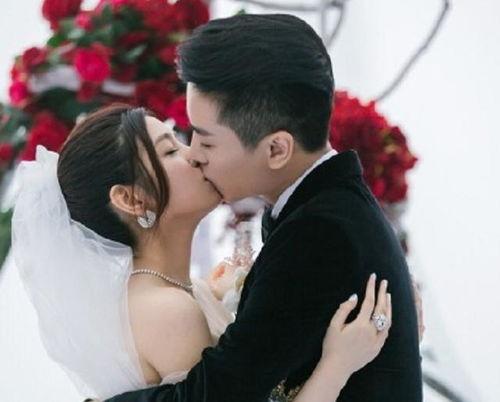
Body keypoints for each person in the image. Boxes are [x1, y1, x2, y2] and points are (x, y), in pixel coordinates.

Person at [105, 13, 423, 402]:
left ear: (276, 149)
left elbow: (219, 394)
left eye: (206, 141)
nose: (194, 155)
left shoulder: (319, 235)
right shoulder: (328, 209)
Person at [12, 105, 391, 402]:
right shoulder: (168, 311)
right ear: (130, 199)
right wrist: (337, 364)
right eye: (170, 150)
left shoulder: (176, 291)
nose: (194, 154)